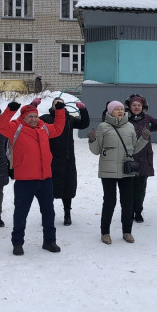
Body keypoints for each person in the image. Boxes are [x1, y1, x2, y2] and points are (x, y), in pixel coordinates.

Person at [0, 100, 66, 255]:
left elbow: (58, 129)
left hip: (45, 178)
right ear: (24, 117)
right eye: (30, 117)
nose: (34, 119)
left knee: (49, 212)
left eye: (36, 116)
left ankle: (49, 241)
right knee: (21, 213)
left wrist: (60, 111)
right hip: (25, 181)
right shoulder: (16, 127)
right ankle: (17, 243)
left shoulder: (43, 127)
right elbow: (0, 126)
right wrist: (9, 110)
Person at [88, 100, 149, 244]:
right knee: (109, 202)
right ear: (110, 112)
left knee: (127, 202)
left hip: (126, 169)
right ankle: (105, 233)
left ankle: (127, 232)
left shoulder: (130, 127)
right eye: (117, 109)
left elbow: (134, 148)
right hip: (108, 171)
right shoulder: (103, 127)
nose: (120, 111)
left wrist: (144, 139)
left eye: (122, 109)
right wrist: (92, 140)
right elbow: (96, 150)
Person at [39, 97, 90, 226]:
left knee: (68, 186)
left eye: (61, 103)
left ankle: (67, 213)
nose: (59, 105)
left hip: (67, 159)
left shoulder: (69, 118)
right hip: (50, 159)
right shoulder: (45, 118)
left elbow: (84, 124)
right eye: (56, 104)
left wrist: (83, 110)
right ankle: (49, 213)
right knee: (49, 188)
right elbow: (30, 121)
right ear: (52, 106)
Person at [125, 94, 157, 222]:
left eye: (139, 105)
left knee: (140, 188)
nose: (136, 107)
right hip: (128, 158)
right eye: (134, 105)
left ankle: (138, 211)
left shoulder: (147, 119)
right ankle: (129, 211)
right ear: (129, 106)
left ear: (143, 107)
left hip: (143, 158)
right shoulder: (124, 118)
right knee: (128, 187)